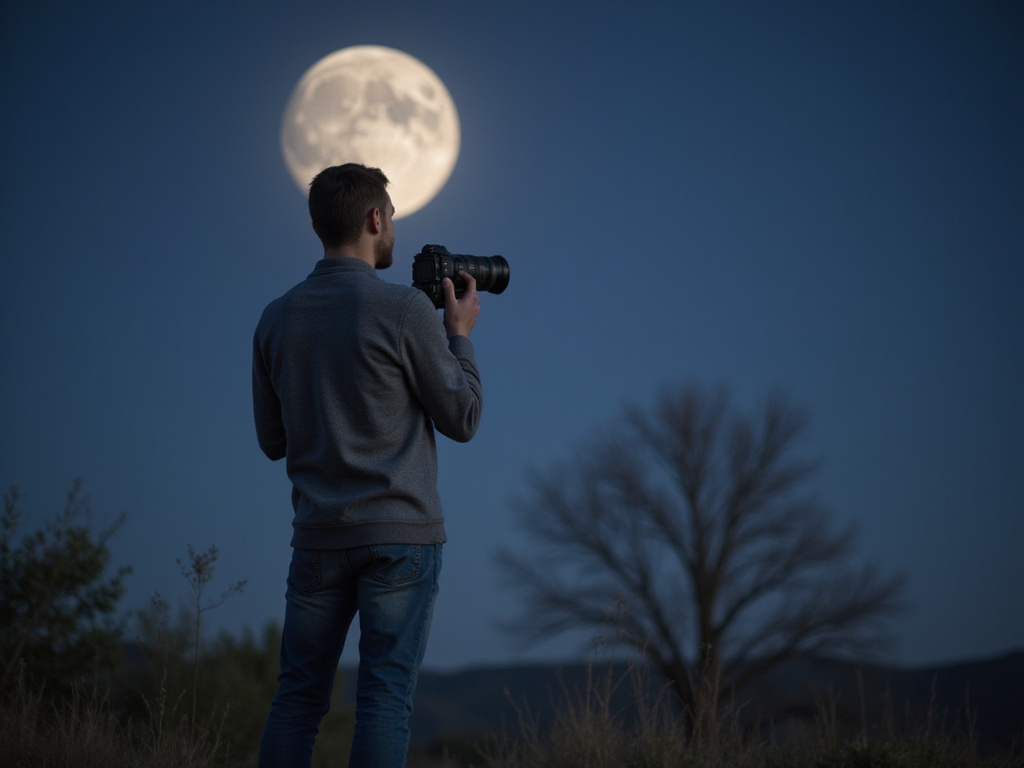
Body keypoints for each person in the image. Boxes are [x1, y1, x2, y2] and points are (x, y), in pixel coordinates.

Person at [252, 163, 483, 767]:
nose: (393, 231)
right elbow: (463, 419)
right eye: (393, 219)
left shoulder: (275, 319)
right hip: (399, 538)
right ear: (375, 218)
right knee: (384, 699)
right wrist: (458, 336)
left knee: (297, 699)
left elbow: (272, 440)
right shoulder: (404, 310)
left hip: (318, 539)